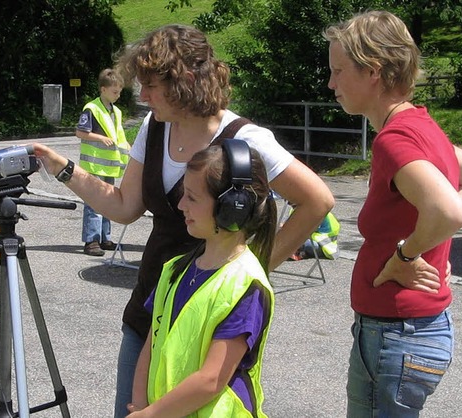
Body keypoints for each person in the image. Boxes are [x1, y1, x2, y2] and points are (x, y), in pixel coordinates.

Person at [33, 24, 334, 418]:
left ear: (186, 80)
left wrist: (254, 267)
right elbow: (125, 206)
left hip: (207, 327)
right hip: (150, 313)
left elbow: (317, 201)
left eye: (151, 86)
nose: (142, 96)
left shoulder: (245, 139)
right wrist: (64, 170)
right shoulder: (154, 126)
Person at [324, 11, 462, 416]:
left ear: (373, 71)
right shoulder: (420, 125)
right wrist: (432, 242)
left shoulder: (395, 140)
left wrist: (406, 255)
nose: (331, 83)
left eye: (339, 71)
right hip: (409, 332)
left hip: (396, 335)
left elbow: (447, 210)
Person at [126, 141, 276, 417]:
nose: (181, 205)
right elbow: (151, 344)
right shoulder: (174, 270)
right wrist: (140, 405)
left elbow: (212, 379)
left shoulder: (245, 286)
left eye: (192, 197)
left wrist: (151, 414)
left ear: (232, 209)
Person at [76, 68, 131, 256]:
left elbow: (119, 136)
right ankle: (91, 241)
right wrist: (100, 139)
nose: (118, 95)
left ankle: (104, 237)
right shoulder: (91, 108)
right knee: (93, 203)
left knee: (108, 202)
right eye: (115, 91)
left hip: (108, 166)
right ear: (103, 89)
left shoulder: (116, 111)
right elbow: (80, 132)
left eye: (120, 91)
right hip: (93, 165)